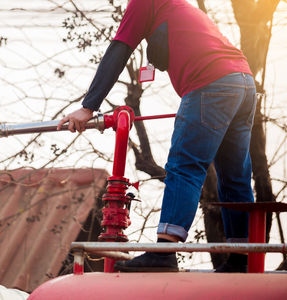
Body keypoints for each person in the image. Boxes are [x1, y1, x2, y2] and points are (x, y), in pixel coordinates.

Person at [57, 0, 256, 273]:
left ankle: (164, 252)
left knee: (184, 166)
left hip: (209, 82)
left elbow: (119, 49)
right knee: (234, 177)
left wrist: (88, 106)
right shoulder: (177, 6)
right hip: (243, 82)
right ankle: (242, 259)